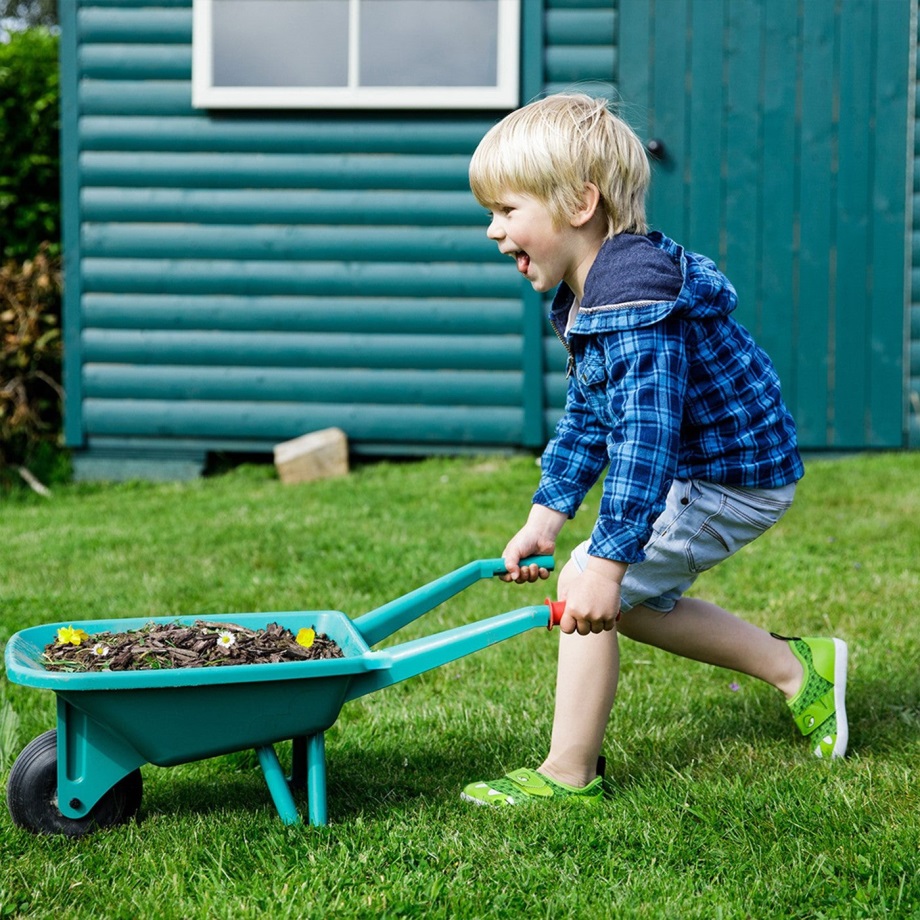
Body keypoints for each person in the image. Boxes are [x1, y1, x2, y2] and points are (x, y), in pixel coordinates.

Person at [460, 93, 848, 807]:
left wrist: (606, 559)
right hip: (707, 470)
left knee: (591, 583)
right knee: (621, 601)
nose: (493, 229)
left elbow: (645, 436)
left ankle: (568, 774)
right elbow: (590, 414)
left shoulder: (635, 299)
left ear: (581, 204)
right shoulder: (593, 294)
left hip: (731, 479)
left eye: (508, 210)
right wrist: (547, 515)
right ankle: (799, 667)